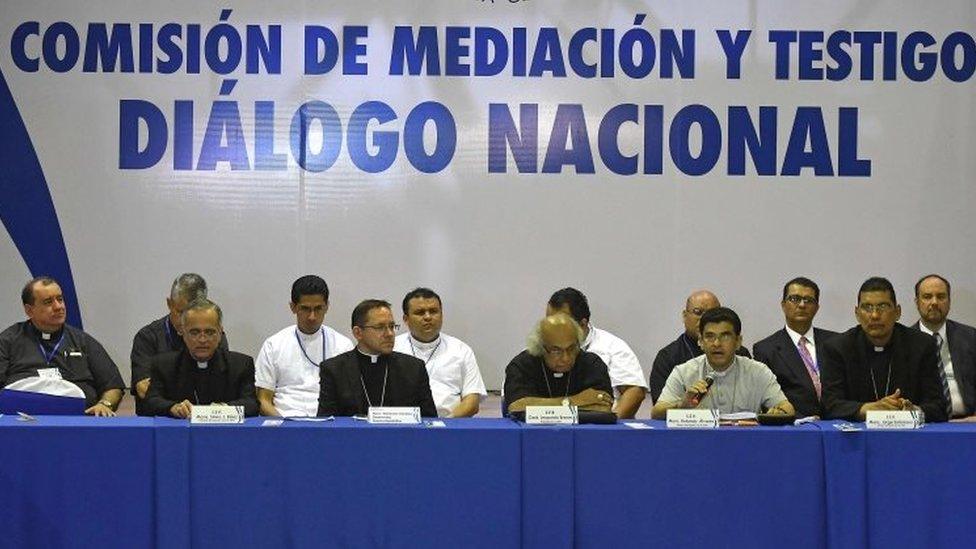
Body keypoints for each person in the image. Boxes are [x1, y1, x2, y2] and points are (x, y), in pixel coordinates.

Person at [821, 277, 947, 422]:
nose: (874, 315)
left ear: (897, 312)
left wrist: (915, 411)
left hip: (908, 435)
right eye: (867, 308)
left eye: (883, 307)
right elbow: (829, 405)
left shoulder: (922, 345)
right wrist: (869, 409)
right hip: (858, 438)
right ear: (857, 313)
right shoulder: (837, 348)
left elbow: (938, 405)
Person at [0, 276, 125, 416]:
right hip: (20, 422)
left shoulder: (83, 341)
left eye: (60, 299)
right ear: (29, 310)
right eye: (48, 302)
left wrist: (104, 404)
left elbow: (113, 386)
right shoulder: (8, 340)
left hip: (79, 422)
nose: (58, 307)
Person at [652, 307, 793, 419]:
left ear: (738, 342)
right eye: (709, 336)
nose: (716, 344)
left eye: (725, 336)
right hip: (698, 444)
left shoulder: (758, 372)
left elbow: (787, 409)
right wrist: (682, 405)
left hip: (746, 445)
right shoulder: (684, 372)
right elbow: (656, 413)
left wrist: (777, 413)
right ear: (700, 341)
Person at [254, 275, 354, 417]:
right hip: (285, 423)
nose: (312, 317)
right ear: (293, 307)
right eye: (305, 309)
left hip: (329, 424)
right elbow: (263, 399)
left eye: (318, 308)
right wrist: (286, 427)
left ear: (327, 307)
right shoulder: (273, 344)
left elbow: (349, 398)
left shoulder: (343, 345)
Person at [318, 300, 437, 417]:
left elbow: (430, 421)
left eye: (392, 326)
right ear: (358, 333)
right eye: (380, 327)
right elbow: (326, 424)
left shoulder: (414, 368)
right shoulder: (334, 370)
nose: (390, 333)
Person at [130, 273, 228, 414]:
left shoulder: (213, 337)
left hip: (204, 419)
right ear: (169, 304)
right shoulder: (147, 337)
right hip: (161, 418)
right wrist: (177, 406)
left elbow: (221, 383)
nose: (185, 321)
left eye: (193, 313)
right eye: (181, 312)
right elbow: (144, 388)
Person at [142, 298, 258, 417]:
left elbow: (252, 404)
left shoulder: (241, 365)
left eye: (209, 332)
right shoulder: (164, 365)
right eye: (194, 332)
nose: (202, 340)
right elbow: (150, 403)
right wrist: (173, 407)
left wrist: (224, 409)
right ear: (182, 332)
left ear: (220, 333)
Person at [546, 287, 646, 418]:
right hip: (549, 423)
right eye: (548, 322)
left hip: (598, 427)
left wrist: (608, 426)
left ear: (582, 324)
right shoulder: (540, 348)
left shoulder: (613, 347)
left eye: (560, 324)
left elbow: (634, 392)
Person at [393, 288, 486, 417]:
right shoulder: (392, 348)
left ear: (442, 315)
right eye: (420, 312)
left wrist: (444, 425)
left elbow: (472, 401)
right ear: (406, 319)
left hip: (449, 424)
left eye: (433, 311)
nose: (428, 317)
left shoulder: (460, 350)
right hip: (401, 425)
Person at [753, 277, 838, 417]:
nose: (802, 305)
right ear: (783, 304)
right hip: (794, 427)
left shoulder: (835, 342)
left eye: (809, 300)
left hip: (837, 424)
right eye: (795, 299)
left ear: (817, 308)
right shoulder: (766, 349)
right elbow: (766, 400)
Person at [649, 290, 751, 403]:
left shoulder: (739, 353)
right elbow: (660, 408)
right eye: (698, 312)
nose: (705, 318)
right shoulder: (668, 357)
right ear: (684, 315)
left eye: (712, 312)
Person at [503, 313, 613, 414]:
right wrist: (575, 401)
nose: (565, 358)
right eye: (556, 351)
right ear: (540, 347)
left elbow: (604, 408)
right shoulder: (522, 365)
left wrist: (539, 406)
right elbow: (516, 406)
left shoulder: (592, 364)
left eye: (571, 348)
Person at [910, 274, 976, 419]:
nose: (934, 302)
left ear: (949, 301)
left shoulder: (971, 337)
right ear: (917, 302)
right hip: (924, 424)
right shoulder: (904, 342)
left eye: (941, 297)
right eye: (927, 297)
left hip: (969, 422)